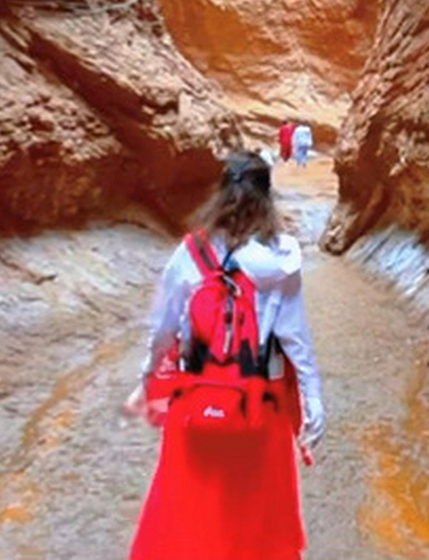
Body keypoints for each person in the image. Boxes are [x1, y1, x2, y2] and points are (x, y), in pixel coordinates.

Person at [125, 150, 325, 560]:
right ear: (267, 199)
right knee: (256, 523)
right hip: (258, 408)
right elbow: (295, 340)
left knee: (186, 516)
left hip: (196, 404)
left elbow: (163, 330)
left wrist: (148, 381)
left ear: (219, 195)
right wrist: (313, 402)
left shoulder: (189, 254)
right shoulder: (282, 257)